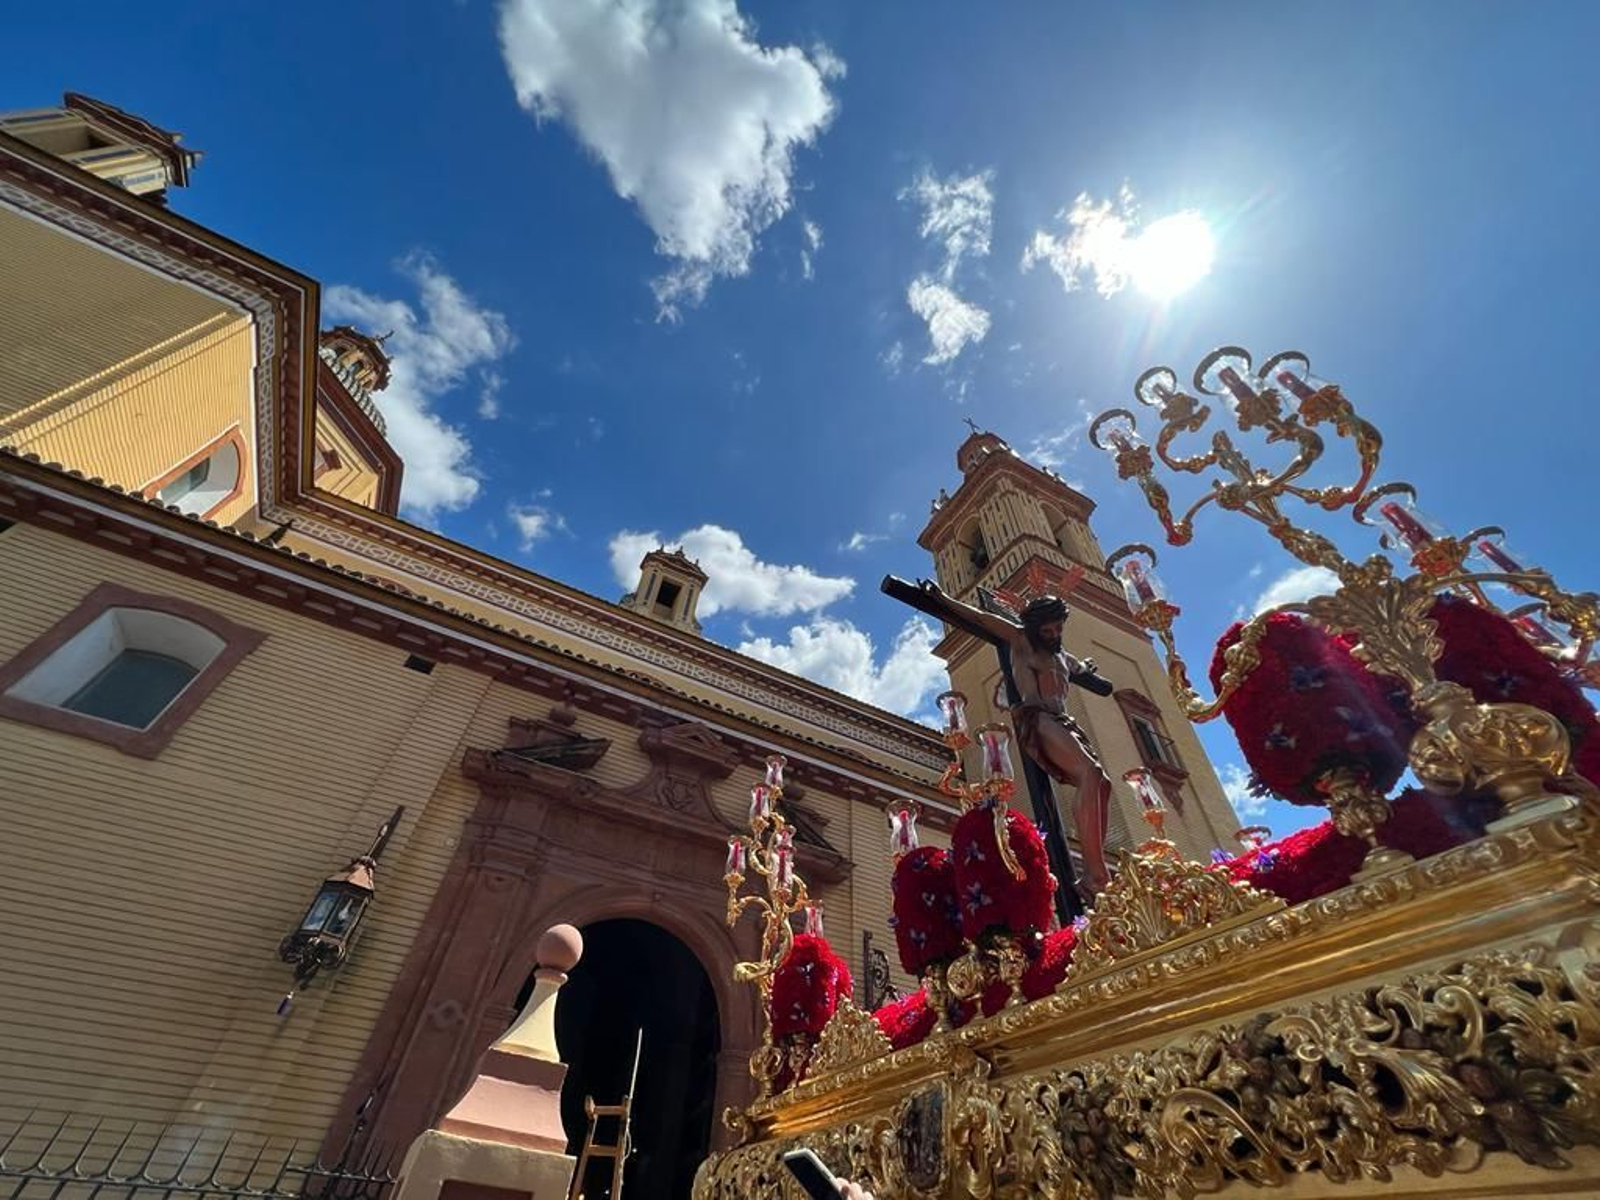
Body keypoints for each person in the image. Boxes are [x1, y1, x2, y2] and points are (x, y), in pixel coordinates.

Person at [917, 581, 1114, 894]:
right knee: (1089, 773)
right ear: (1034, 628)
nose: (1054, 635)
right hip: (1037, 718)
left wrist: (1089, 669)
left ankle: (1094, 864)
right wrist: (942, 599)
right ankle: (1095, 874)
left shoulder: (1063, 656)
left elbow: (1085, 671)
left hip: (1064, 721)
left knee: (1102, 783)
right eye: (1047, 630)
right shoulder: (1021, 640)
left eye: (1058, 629)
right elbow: (981, 618)